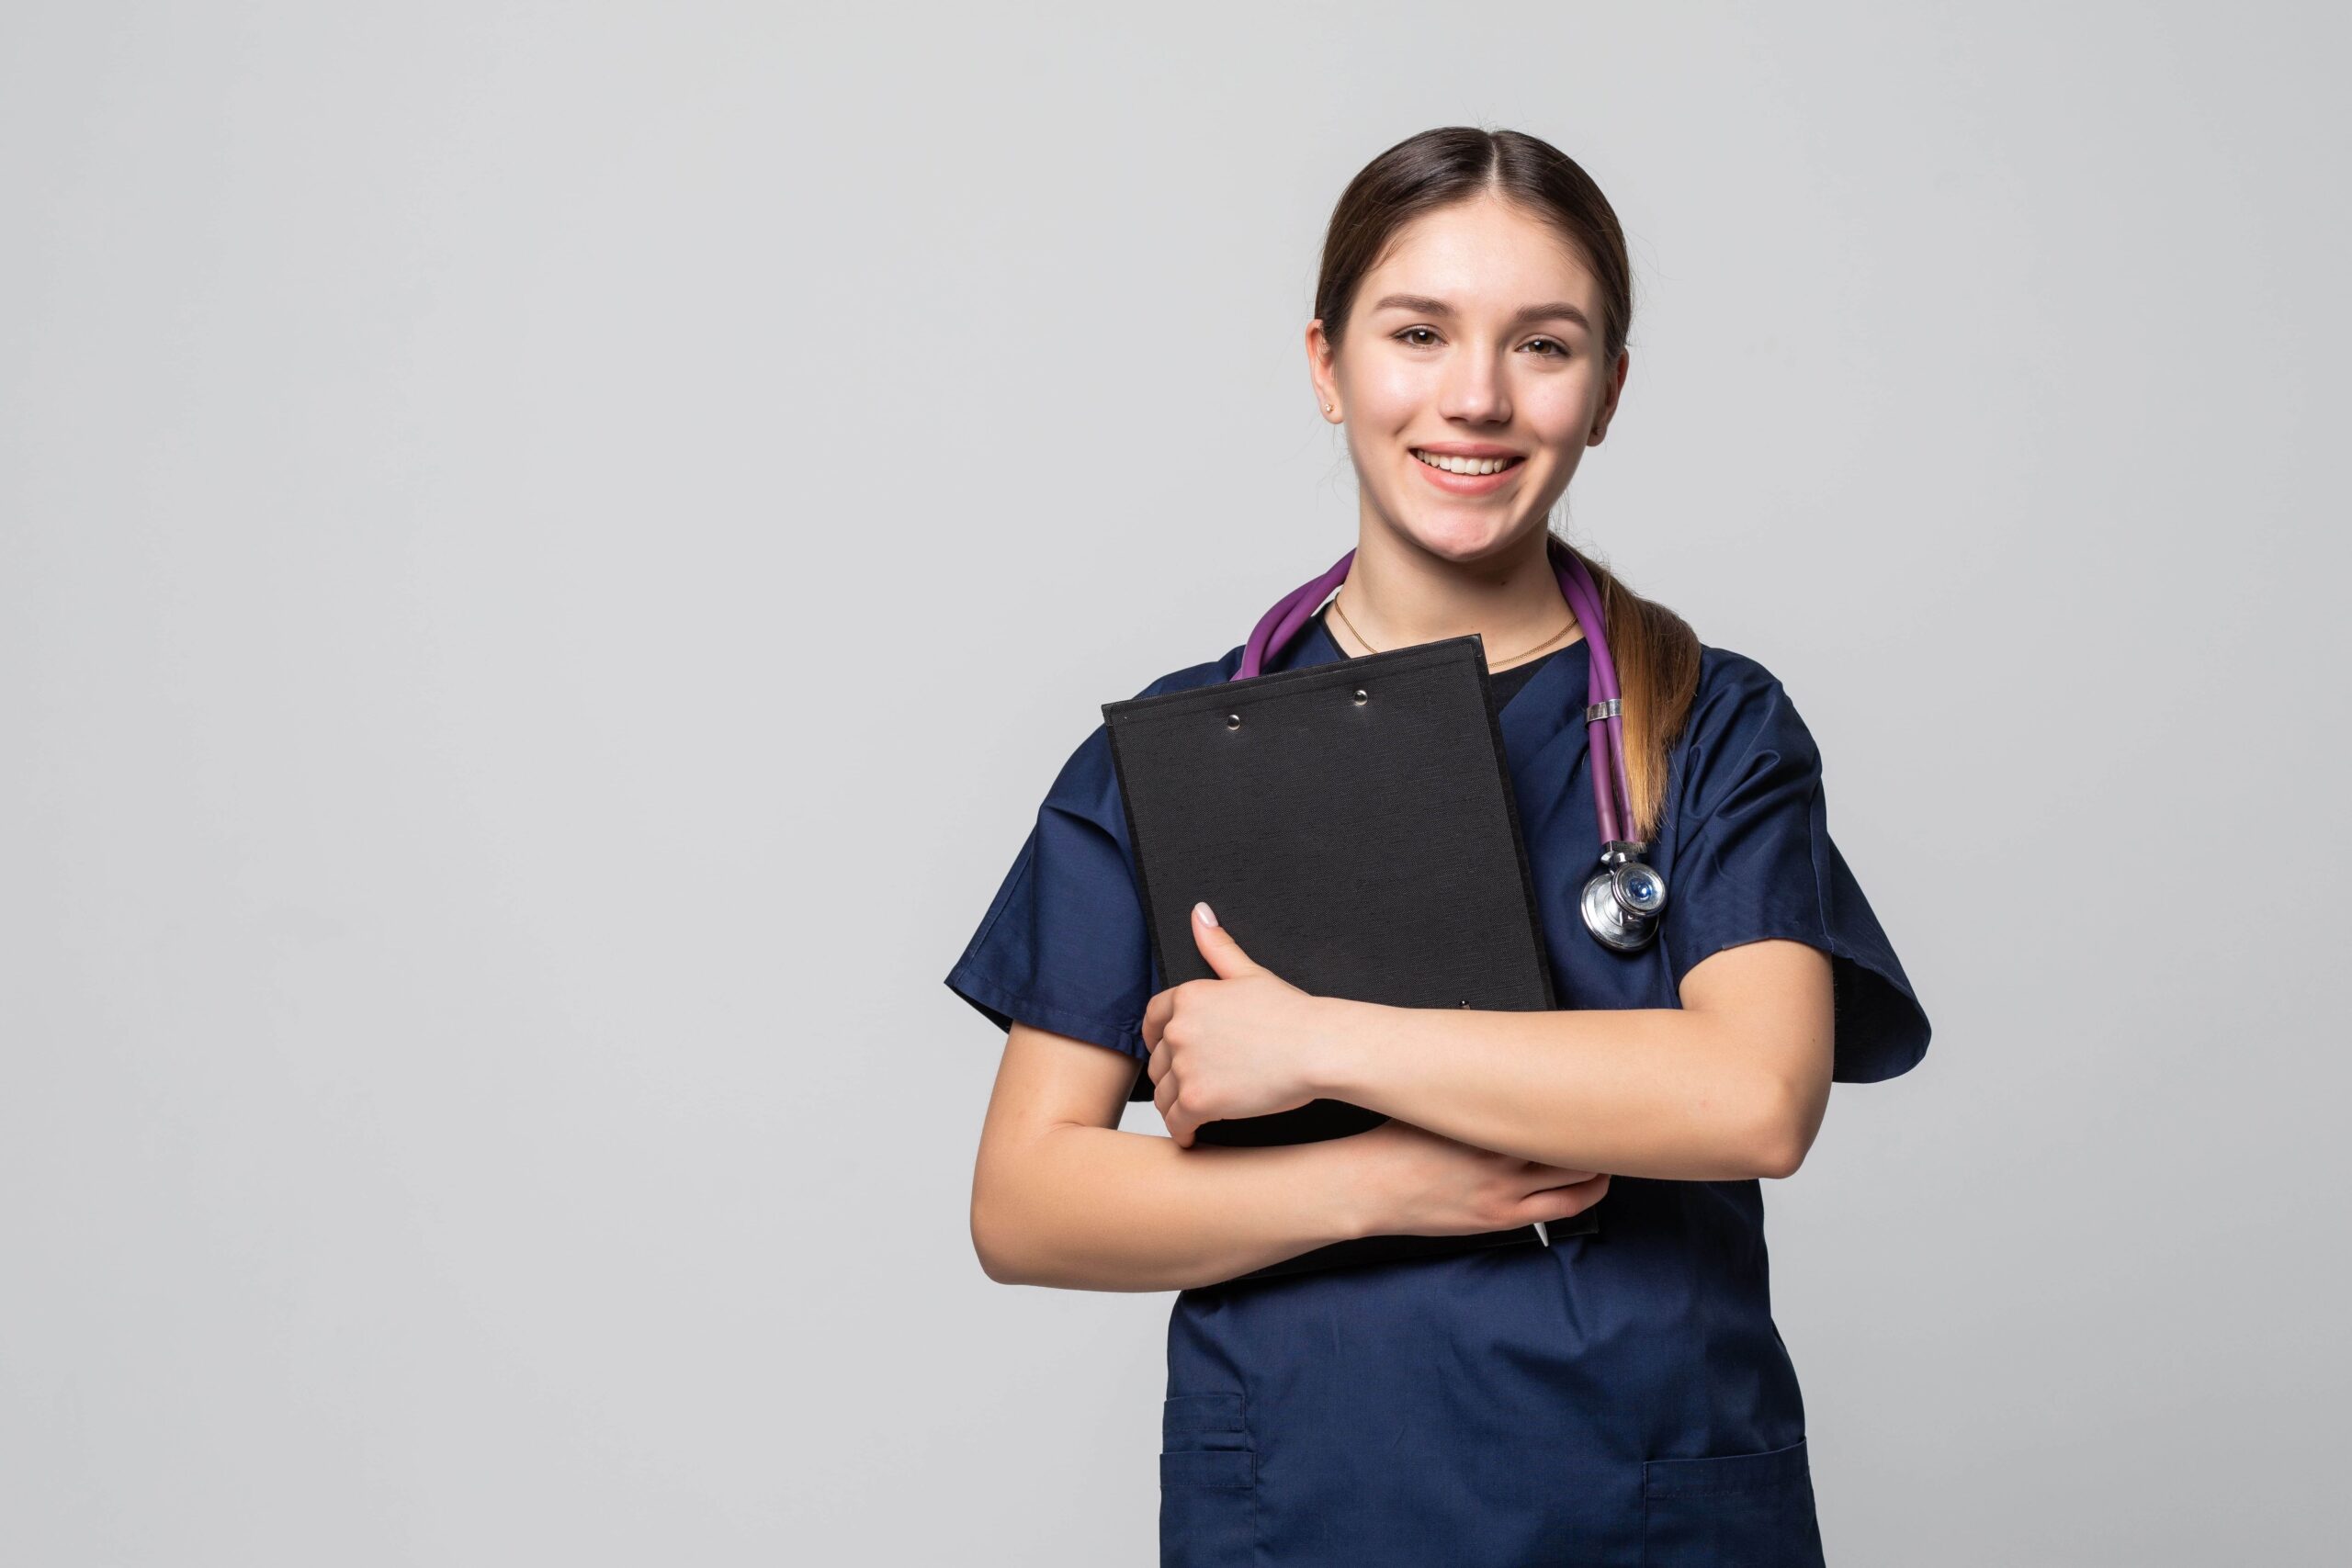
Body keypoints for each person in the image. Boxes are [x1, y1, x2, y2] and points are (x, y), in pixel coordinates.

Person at [943, 125, 1930, 1568]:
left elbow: (1752, 1097)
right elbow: (1026, 1202)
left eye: (1543, 345)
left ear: (1607, 395)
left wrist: (1322, 1046)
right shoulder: (1172, 759)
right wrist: (1383, 1186)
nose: (1476, 398)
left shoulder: (1708, 727)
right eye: (1419, 332)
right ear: (1327, 364)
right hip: (1307, 1500)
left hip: (1648, 1506)